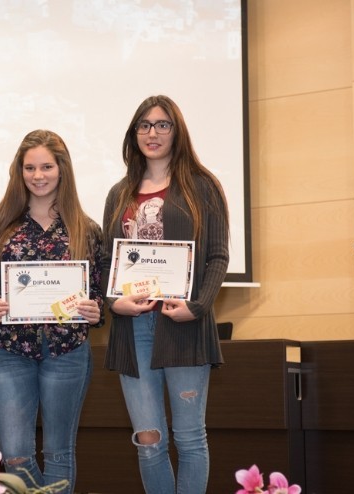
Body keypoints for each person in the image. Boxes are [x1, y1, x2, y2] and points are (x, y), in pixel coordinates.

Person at [101, 95, 229, 494]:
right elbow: (107, 262)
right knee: (149, 442)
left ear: (177, 131)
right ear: (133, 133)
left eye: (162, 125)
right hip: (133, 328)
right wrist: (113, 302)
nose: (152, 133)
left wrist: (198, 306)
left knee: (190, 439)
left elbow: (218, 256)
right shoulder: (119, 193)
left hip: (183, 325)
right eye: (144, 125)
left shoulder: (202, 186)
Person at [0, 130, 104, 493]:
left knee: (58, 452)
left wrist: (95, 310)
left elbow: (98, 293)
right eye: (30, 167)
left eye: (47, 166)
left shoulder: (87, 229)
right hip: (9, 352)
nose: (38, 175)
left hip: (67, 353)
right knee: (15, 455)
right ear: (18, 172)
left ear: (62, 169)